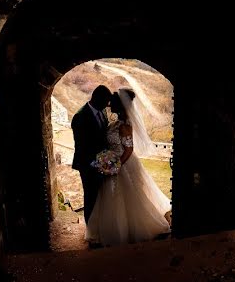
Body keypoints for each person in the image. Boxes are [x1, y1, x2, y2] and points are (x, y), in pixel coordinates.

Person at [86, 88, 172, 247]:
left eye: (112, 102)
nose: (109, 104)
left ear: (119, 106)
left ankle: (127, 231)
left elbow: (128, 150)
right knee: (111, 199)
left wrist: (115, 166)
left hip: (123, 164)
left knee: (126, 200)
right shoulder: (115, 122)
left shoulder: (125, 125)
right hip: (112, 161)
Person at [71, 85, 112, 225]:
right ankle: (90, 229)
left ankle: (101, 226)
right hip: (87, 165)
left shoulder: (102, 111)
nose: (108, 106)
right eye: (106, 102)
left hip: (102, 162)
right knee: (90, 196)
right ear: (96, 99)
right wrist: (97, 165)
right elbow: (82, 147)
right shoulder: (80, 117)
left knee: (102, 196)